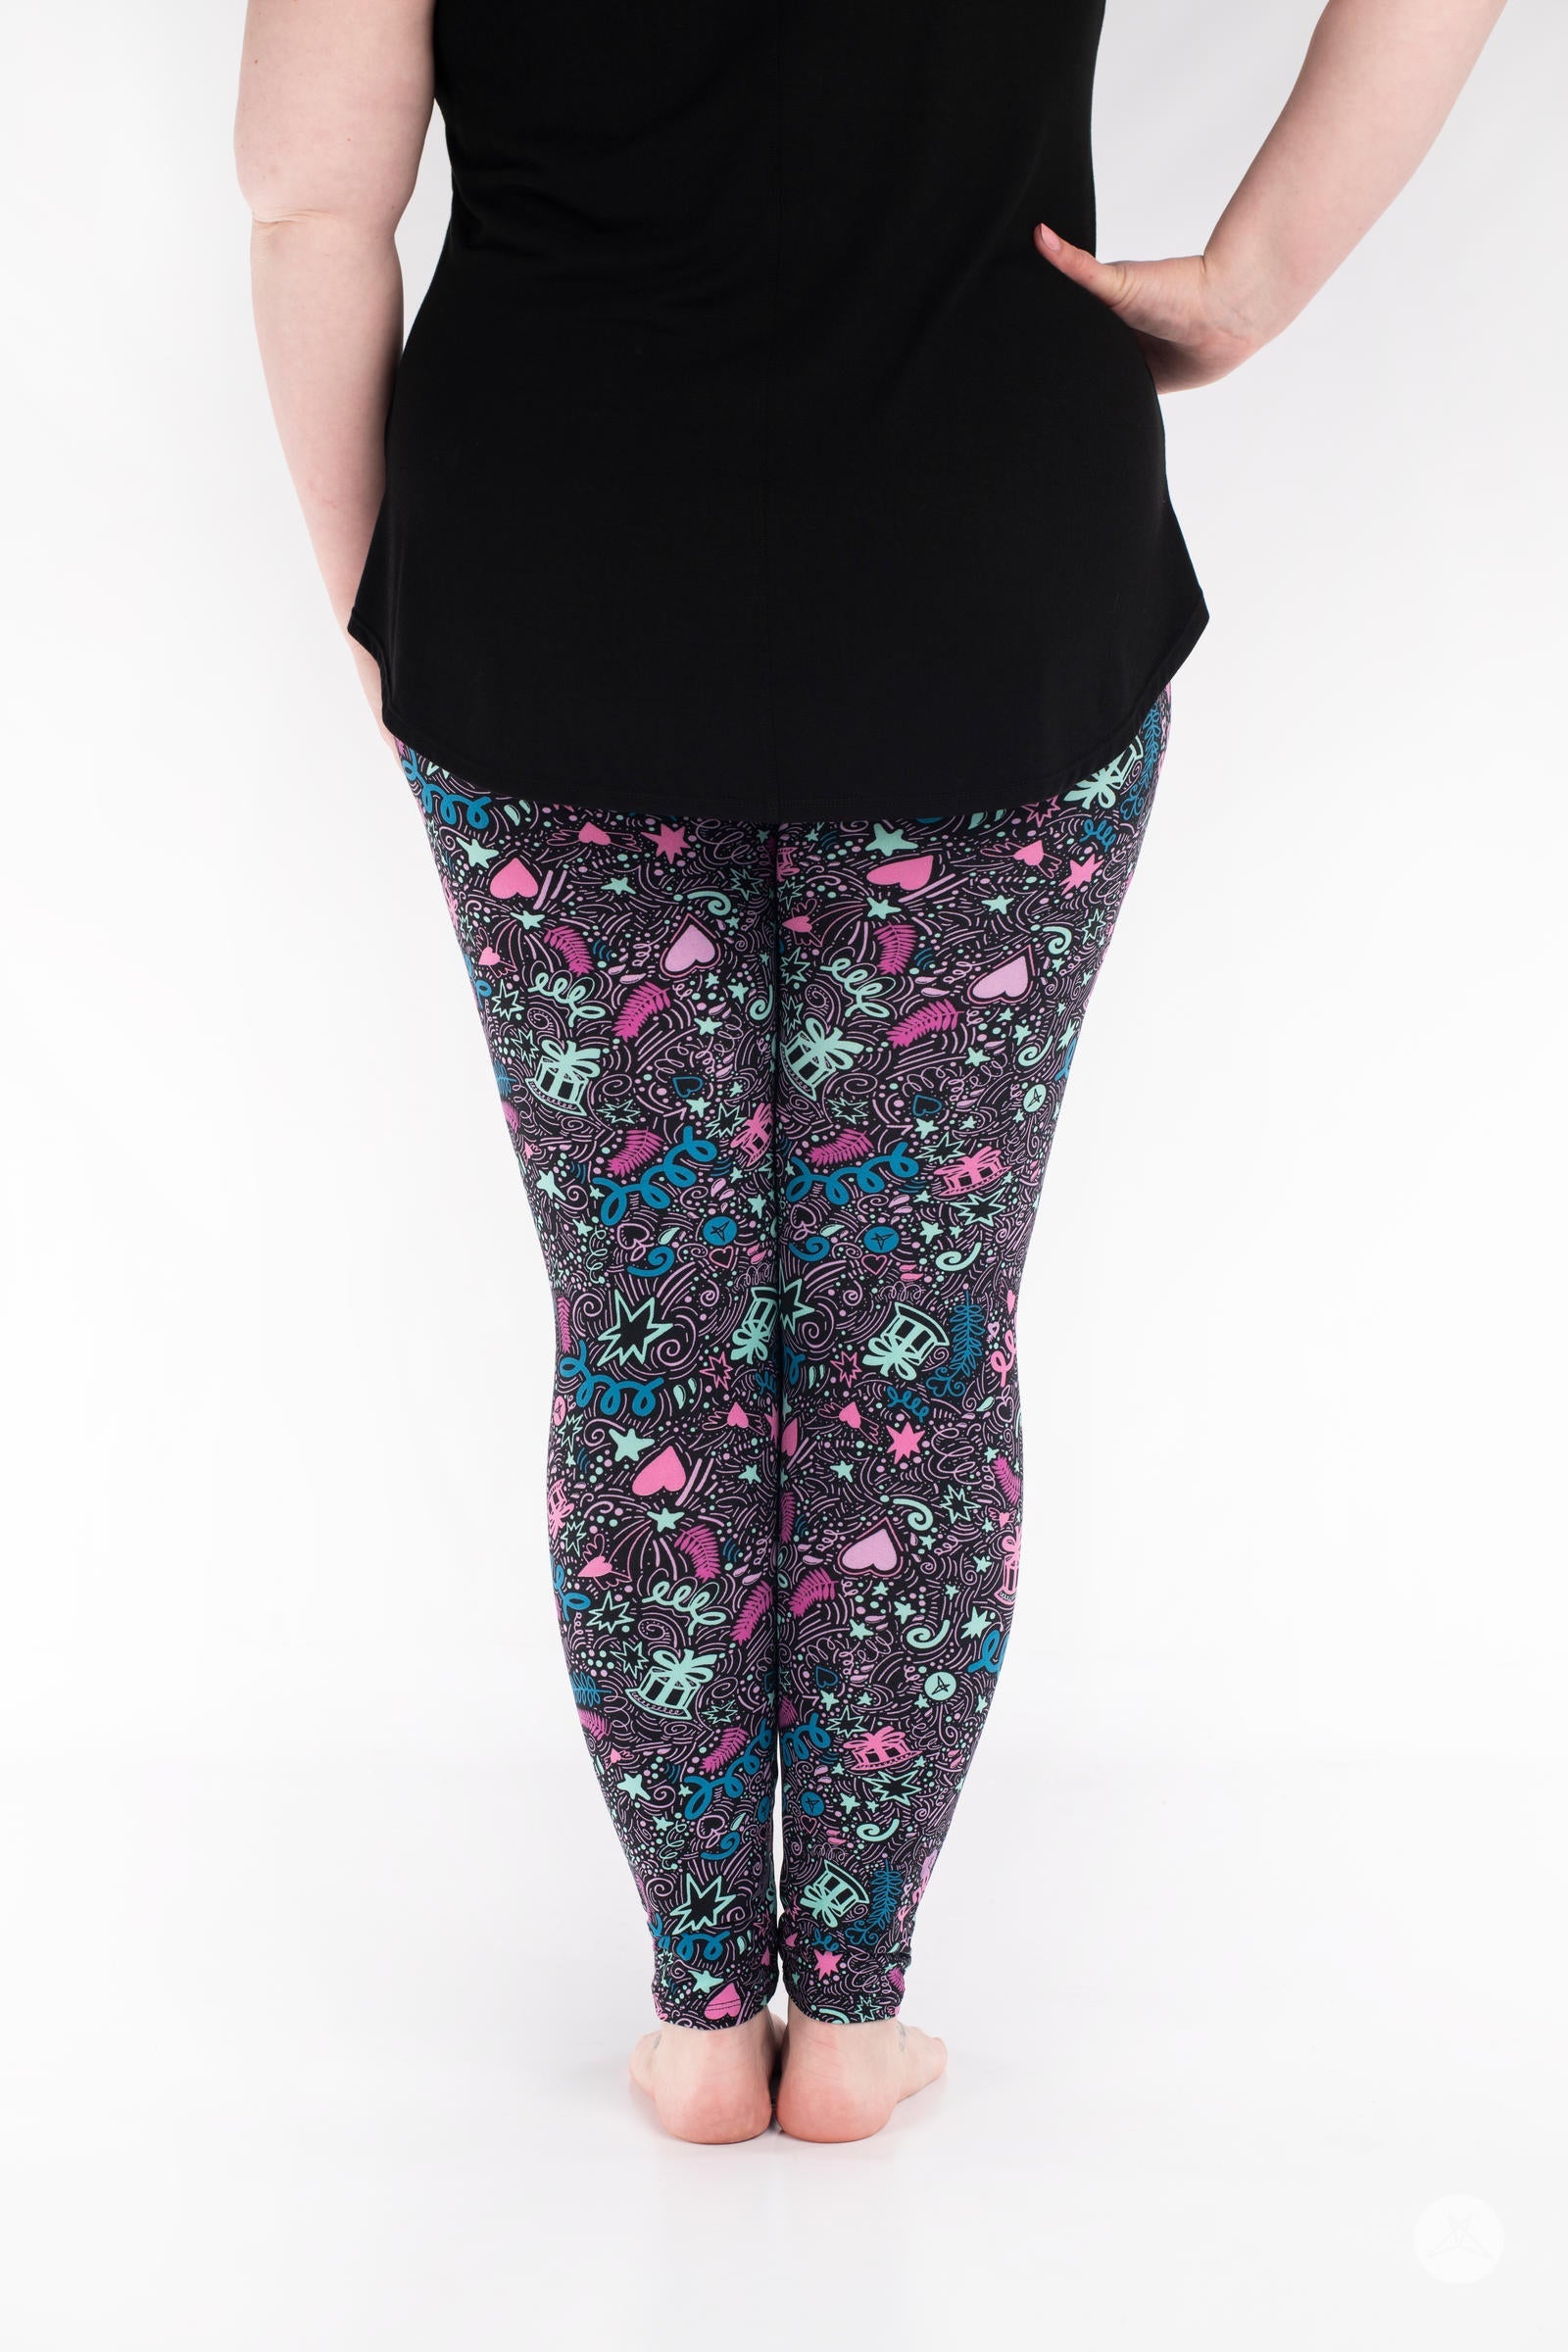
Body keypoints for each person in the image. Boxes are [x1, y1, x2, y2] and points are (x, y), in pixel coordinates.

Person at [234, 0, 1509, 2144]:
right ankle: (850, 2011)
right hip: (988, 566)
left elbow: (309, 194)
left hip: (548, 575)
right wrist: (1257, 271)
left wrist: (371, 581)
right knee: (910, 1339)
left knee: (649, 1341)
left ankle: (697, 2019)